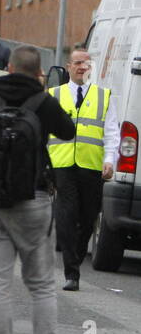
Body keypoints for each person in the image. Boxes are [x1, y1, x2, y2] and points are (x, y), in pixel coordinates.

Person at [0, 46, 76, 334]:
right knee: (42, 286)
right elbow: (68, 132)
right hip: (34, 200)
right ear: (38, 72)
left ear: (9, 66)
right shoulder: (43, 101)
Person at [48, 46, 120, 291]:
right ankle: (71, 272)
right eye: (77, 63)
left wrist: (109, 160)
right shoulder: (54, 95)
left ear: (90, 69)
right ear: (68, 67)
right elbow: (43, 132)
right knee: (66, 216)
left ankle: (76, 258)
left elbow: (112, 132)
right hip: (62, 165)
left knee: (88, 219)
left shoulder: (104, 96)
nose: (81, 67)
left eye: (85, 64)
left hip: (91, 166)